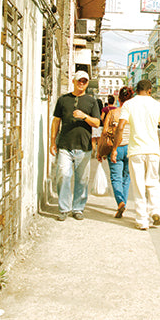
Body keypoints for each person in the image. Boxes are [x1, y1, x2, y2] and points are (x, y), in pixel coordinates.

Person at [116, 79, 160, 230]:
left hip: (136, 150)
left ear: (136, 90)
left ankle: (142, 220)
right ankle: (156, 211)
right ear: (150, 90)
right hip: (153, 151)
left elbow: (120, 127)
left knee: (138, 185)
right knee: (153, 182)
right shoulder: (157, 105)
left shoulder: (129, 104)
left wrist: (115, 148)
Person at [49, 71, 102, 221]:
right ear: (73, 81)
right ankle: (64, 208)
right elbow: (56, 121)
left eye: (84, 81)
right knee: (63, 175)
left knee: (82, 180)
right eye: (79, 80)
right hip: (65, 145)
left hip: (84, 146)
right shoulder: (63, 100)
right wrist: (52, 141)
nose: (81, 83)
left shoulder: (91, 101)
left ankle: (78, 208)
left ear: (87, 83)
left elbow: (97, 123)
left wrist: (84, 117)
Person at [99, 87, 135, 218]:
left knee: (116, 178)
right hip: (131, 148)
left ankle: (120, 202)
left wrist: (99, 151)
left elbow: (104, 133)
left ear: (119, 99)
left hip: (116, 148)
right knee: (127, 178)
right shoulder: (134, 114)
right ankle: (123, 202)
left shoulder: (113, 113)